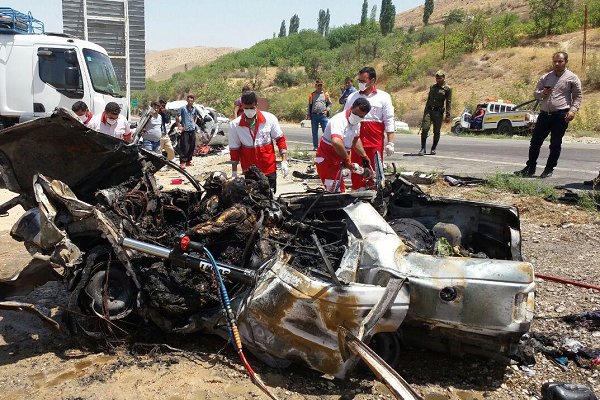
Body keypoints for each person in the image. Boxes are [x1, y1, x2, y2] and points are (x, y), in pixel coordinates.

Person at [514, 51, 582, 179]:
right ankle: (530, 167)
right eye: (555, 61)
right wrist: (543, 93)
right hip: (544, 114)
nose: (557, 64)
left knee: (555, 144)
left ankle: (549, 169)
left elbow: (578, 96)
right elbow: (536, 93)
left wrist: (573, 110)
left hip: (561, 115)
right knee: (535, 142)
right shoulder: (546, 77)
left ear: (566, 62)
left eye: (560, 61)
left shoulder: (572, 78)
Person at [343, 66, 395, 190]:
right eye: (359, 81)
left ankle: (374, 195)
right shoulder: (352, 97)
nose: (360, 84)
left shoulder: (384, 97)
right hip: (356, 140)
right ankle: (357, 193)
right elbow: (345, 118)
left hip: (375, 140)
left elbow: (389, 120)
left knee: (375, 169)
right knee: (356, 169)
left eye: (363, 81)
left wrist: (390, 142)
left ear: (372, 81)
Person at [229, 91, 288, 193]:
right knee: (253, 200)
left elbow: (280, 139)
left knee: (270, 198)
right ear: (242, 106)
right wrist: (234, 173)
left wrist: (284, 161)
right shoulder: (235, 125)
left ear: (256, 105)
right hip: (250, 171)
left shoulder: (269, 119)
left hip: (268, 168)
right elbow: (234, 150)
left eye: (252, 108)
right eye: (246, 108)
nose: (249, 111)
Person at [315, 98, 373, 193]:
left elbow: (355, 140)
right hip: (328, 161)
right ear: (351, 107)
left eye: (361, 116)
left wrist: (364, 156)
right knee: (335, 193)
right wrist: (347, 160)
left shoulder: (356, 123)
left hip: (339, 161)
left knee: (339, 191)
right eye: (356, 114)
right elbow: (336, 142)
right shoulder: (339, 120)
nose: (357, 117)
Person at [419, 70, 452, 156]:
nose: (438, 80)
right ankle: (423, 148)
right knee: (425, 129)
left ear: (444, 78)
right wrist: (425, 112)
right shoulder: (432, 87)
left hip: (438, 112)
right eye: (437, 78)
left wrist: (448, 115)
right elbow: (428, 99)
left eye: (440, 78)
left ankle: (433, 148)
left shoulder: (447, 89)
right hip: (429, 111)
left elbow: (448, 102)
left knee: (436, 131)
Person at [306, 78, 331, 151]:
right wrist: (308, 114)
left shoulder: (325, 94)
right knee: (314, 132)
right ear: (315, 85)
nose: (319, 86)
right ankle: (315, 146)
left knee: (326, 132)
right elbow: (309, 105)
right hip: (314, 115)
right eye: (318, 85)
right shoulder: (312, 95)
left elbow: (329, 104)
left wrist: (327, 110)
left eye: (321, 85)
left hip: (323, 115)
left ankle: (327, 146)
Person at [175, 94, 199, 168]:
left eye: (191, 100)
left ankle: (188, 161)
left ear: (193, 101)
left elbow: (196, 116)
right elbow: (177, 116)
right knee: (184, 146)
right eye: (189, 100)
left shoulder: (194, 109)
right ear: (187, 101)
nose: (190, 101)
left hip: (192, 129)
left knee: (192, 146)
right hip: (185, 130)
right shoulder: (183, 108)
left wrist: (194, 123)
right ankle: (182, 162)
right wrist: (179, 126)